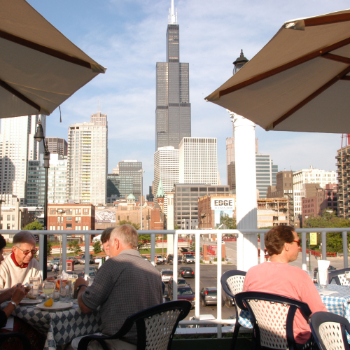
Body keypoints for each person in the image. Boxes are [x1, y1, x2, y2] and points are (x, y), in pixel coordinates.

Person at [71, 224, 163, 350]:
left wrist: (81, 286)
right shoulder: (154, 272)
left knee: (69, 344)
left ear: (117, 243)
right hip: (151, 344)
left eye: (110, 244)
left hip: (119, 343)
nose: (108, 247)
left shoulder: (113, 264)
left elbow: (86, 306)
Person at [243, 226, 327, 348]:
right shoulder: (299, 275)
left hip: (262, 340)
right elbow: (319, 312)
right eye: (297, 242)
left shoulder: (252, 272)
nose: (299, 247)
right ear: (287, 246)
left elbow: (246, 304)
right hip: (296, 342)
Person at [0, 234, 46, 350]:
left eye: (33, 251)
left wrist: (12, 291)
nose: (30, 255)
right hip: (8, 317)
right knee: (36, 332)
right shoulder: (4, 266)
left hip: (23, 311)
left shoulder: (34, 263)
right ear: (14, 250)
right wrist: (15, 301)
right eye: (26, 252)